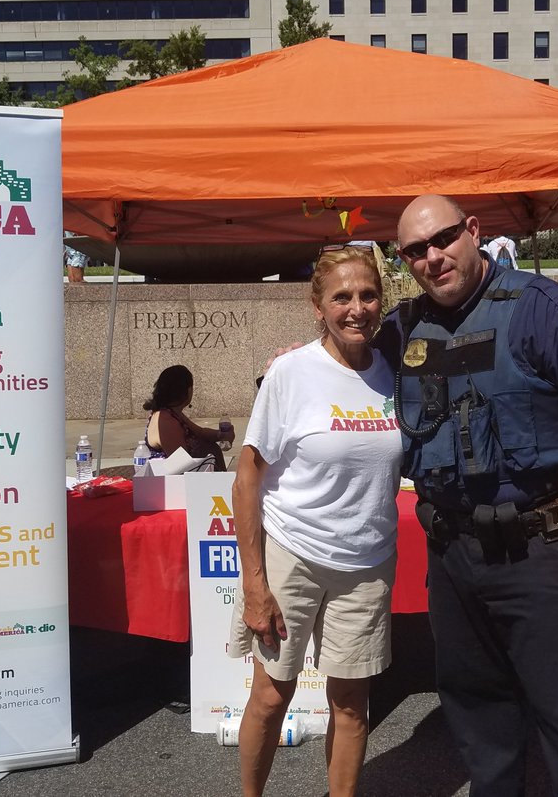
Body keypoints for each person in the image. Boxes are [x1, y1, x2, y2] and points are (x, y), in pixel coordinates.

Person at [385, 194, 558, 796]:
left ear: (473, 231)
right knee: (478, 724)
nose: (432, 258)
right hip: (452, 557)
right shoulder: (403, 326)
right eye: (415, 250)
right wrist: (299, 357)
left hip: (538, 556)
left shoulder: (542, 309)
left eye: (443, 239)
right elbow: (347, 353)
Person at [230, 246, 401, 797]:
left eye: (368, 295)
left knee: (351, 706)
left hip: (367, 564)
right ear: (318, 306)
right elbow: (247, 478)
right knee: (271, 695)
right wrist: (254, 582)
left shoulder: (397, 371)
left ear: (382, 301)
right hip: (292, 554)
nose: (357, 308)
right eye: (342, 297)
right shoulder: (292, 372)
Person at [142, 364, 233, 471]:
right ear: (189, 390)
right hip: (183, 483)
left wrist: (221, 435)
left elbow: (200, 432)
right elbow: (182, 466)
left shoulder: (172, 414)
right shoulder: (166, 420)